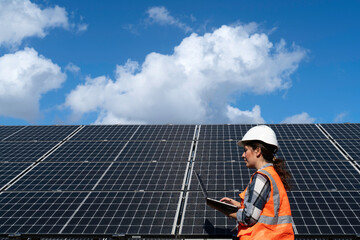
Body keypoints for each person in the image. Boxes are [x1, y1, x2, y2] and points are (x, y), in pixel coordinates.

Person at [219, 125, 294, 240]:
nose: (242, 155)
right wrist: (238, 205)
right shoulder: (272, 174)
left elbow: (249, 218)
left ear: (258, 150)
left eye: (245, 150)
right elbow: (263, 211)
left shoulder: (261, 177)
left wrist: (226, 210)